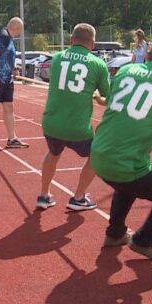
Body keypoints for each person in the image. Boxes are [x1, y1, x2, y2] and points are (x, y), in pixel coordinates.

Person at [91, 39, 152, 260]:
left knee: (127, 183)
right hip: (125, 164)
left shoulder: (126, 70)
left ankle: (115, 233)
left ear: (148, 56)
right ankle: (143, 241)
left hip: (98, 154)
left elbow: (116, 102)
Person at [37, 23, 110, 211]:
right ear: (92, 44)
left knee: (53, 153)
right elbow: (107, 98)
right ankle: (78, 197)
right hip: (77, 127)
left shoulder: (57, 58)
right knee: (96, 155)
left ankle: (44, 195)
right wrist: (97, 97)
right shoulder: (98, 64)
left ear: (71, 39)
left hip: (51, 123)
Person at [0, 17, 30, 152]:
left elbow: (7, 57)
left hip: (7, 79)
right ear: (17, 28)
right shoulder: (3, 36)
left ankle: (12, 138)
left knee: (9, 107)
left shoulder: (9, 38)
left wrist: (13, 69)